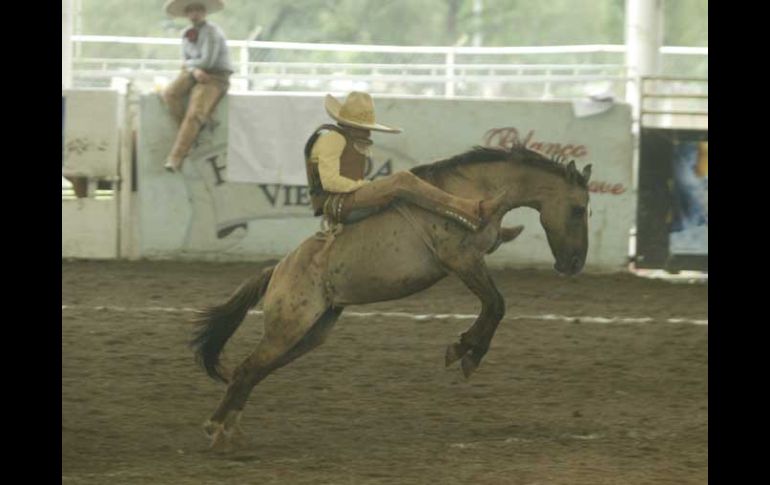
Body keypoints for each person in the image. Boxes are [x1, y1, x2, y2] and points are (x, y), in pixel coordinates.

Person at [304, 91, 505, 232]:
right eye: (363, 126)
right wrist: (365, 186)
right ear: (351, 126)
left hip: (346, 199)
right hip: (338, 203)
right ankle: (466, 209)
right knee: (401, 180)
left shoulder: (342, 139)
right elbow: (330, 182)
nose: (367, 131)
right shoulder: (334, 139)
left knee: (407, 182)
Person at [161, 0, 233, 172]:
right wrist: (193, 70)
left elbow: (209, 60)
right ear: (186, 14)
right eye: (191, 10)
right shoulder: (186, 33)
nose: (195, 14)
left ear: (204, 12)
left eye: (198, 10)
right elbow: (185, 60)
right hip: (195, 73)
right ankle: (189, 136)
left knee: (195, 110)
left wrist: (192, 67)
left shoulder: (212, 32)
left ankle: (176, 156)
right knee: (170, 93)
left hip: (215, 76)